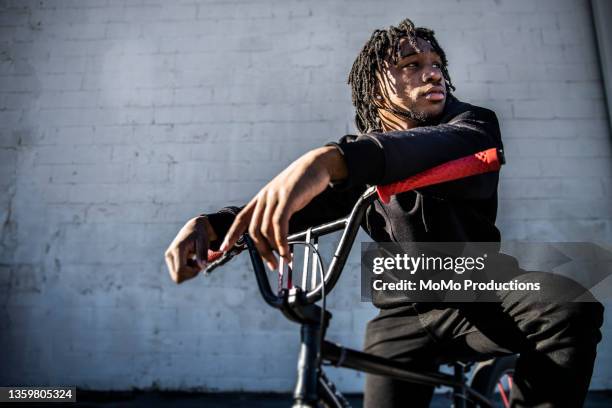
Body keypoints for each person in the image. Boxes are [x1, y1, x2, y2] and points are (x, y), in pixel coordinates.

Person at [164, 18, 604, 407]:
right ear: (376, 87)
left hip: (479, 286)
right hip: (401, 312)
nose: (432, 72)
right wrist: (214, 226)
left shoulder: (472, 124)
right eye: (411, 64)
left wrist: (326, 161)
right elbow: (303, 209)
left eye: (436, 63)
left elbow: (424, 148)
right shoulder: (360, 161)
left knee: (568, 306)